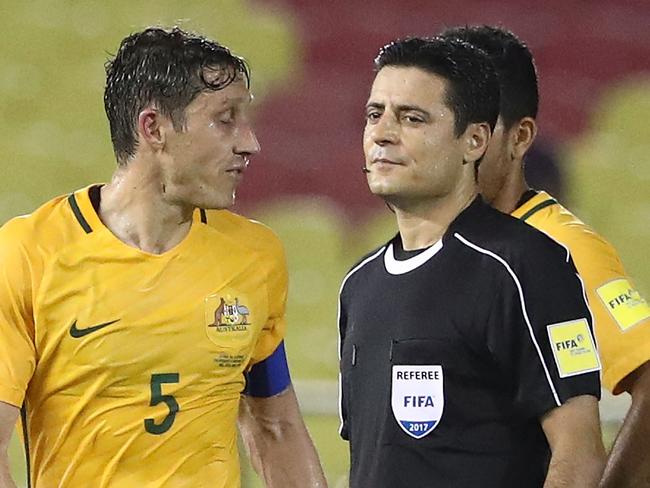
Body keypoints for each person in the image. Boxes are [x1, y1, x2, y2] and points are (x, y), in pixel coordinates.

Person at [0, 27, 327, 488]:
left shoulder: (256, 256)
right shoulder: (28, 253)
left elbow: (276, 428)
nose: (249, 142)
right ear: (154, 127)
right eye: (225, 119)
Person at [337, 36, 606, 488]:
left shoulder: (525, 266)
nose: (382, 133)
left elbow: (579, 457)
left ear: (475, 140)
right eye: (374, 114)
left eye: (412, 118)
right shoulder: (359, 284)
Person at [441, 25, 650, 488]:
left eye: (477, 128)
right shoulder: (417, 256)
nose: (457, 145)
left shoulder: (562, 248)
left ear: (520, 137)